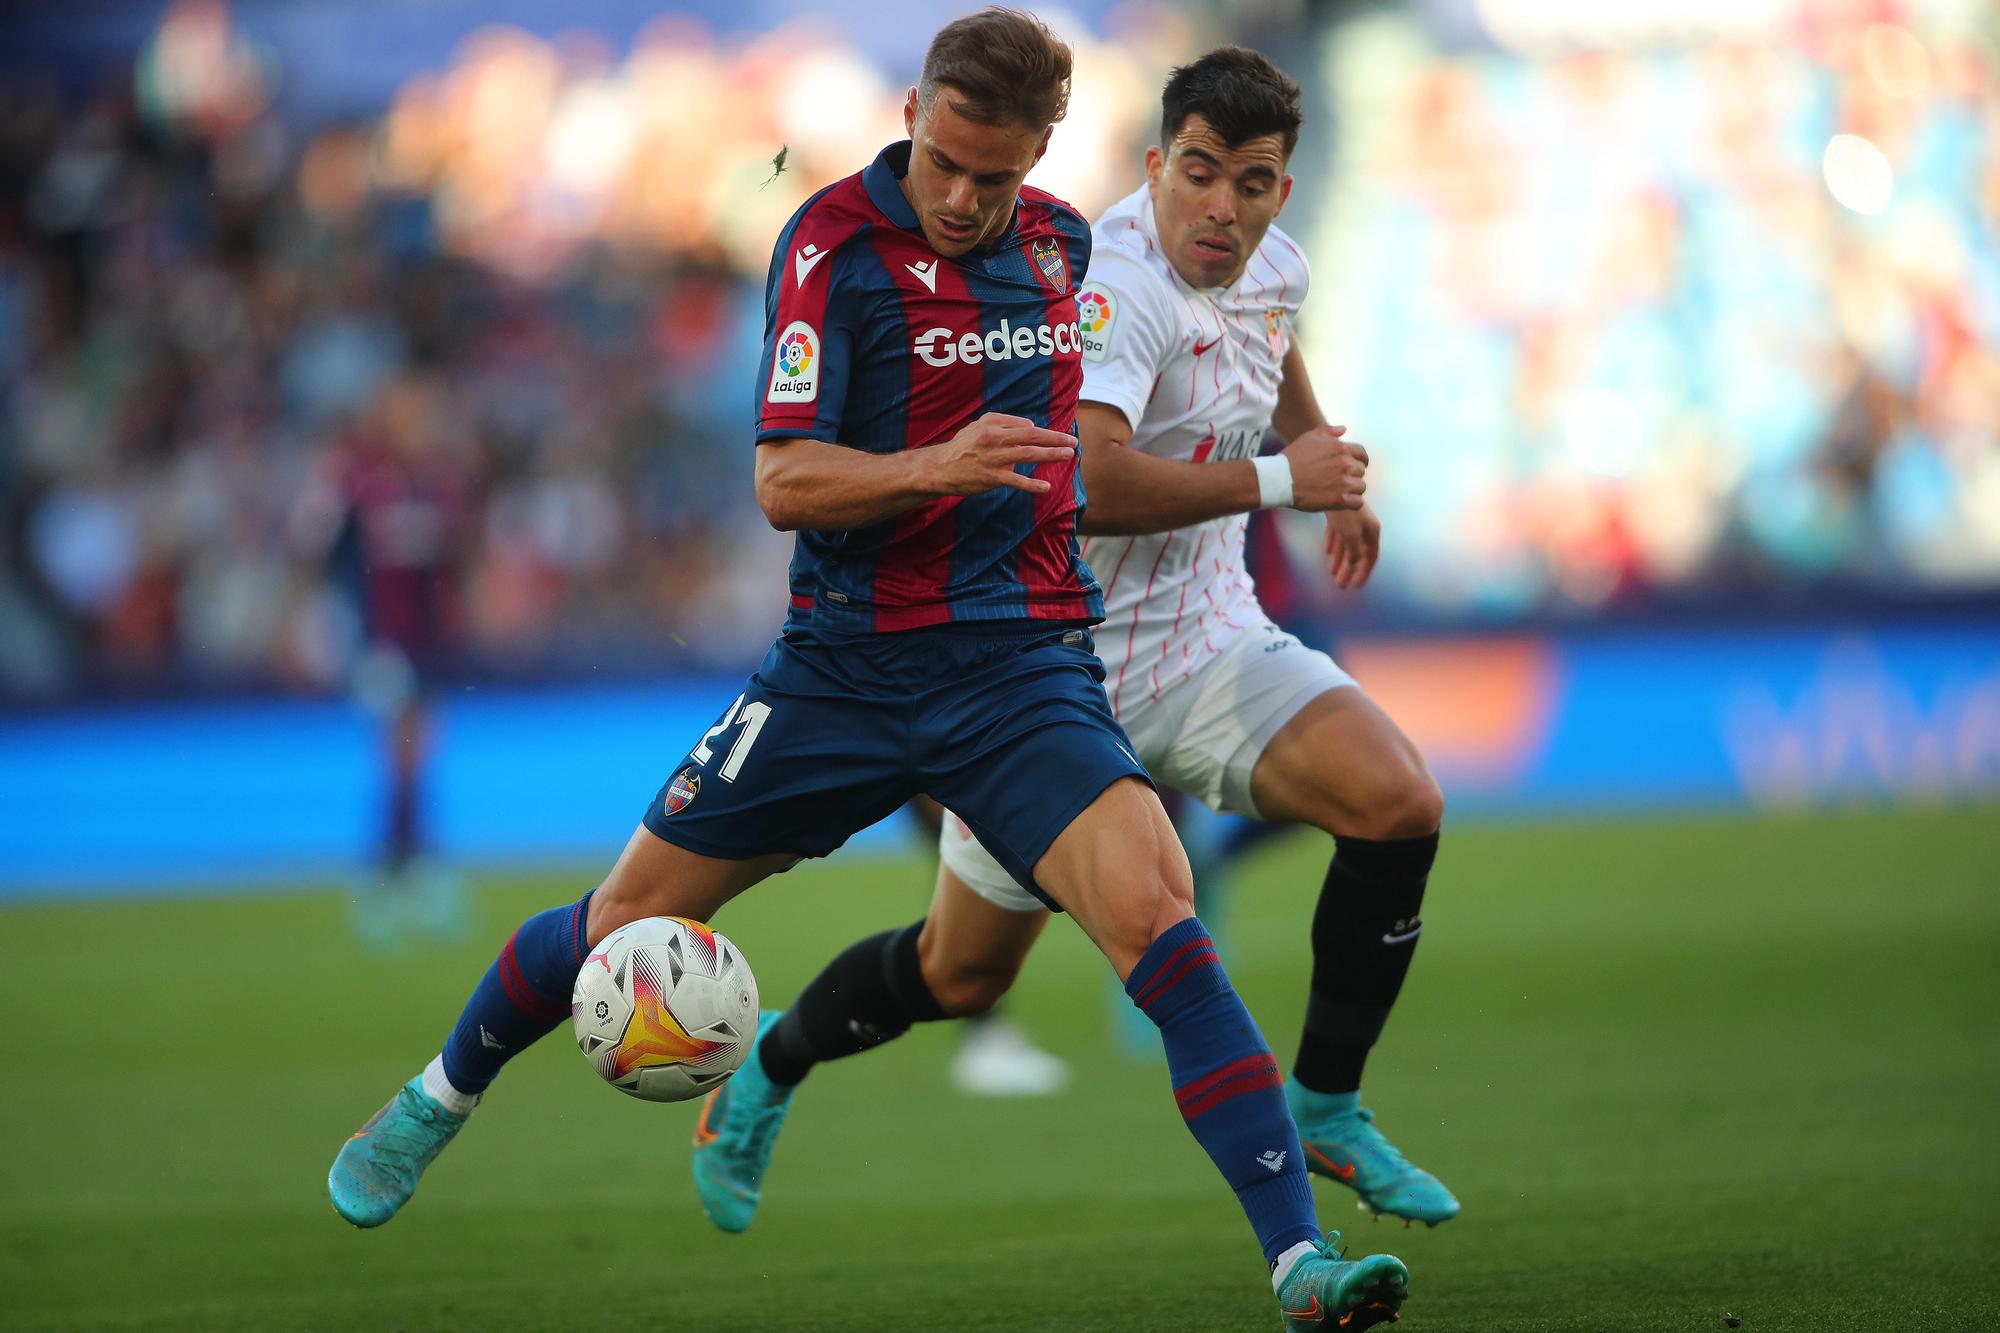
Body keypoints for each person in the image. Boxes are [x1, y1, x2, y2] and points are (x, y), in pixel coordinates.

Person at [327, 11, 1405, 1328]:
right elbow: (783, 480)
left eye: (995, 176)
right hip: (841, 670)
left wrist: (1313, 457)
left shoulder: (1071, 249)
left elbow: (1243, 311)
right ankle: (430, 1104)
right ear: (913, 109)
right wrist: (929, 469)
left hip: (1019, 669)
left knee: (1158, 926)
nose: (962, 197)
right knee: (622, 923)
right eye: (945, 160)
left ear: (1043, 156)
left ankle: (1301, 1267)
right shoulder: (830, 250)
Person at [689, 44, 1459, 1265]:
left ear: (1280, 193)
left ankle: (1324, 1105)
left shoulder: (1271, 264)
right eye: (1199, 174)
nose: (1222, 207)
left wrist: (1328, 466)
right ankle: (773, 1064)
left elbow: (1270, 339)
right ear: (1156, 165)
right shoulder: (1100, 285)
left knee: (1398, 801)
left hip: (1208, 647)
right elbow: (1085, 480)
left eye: (1250, 184)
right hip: (1053, 677)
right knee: (958, 975)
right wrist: (1276, 479)